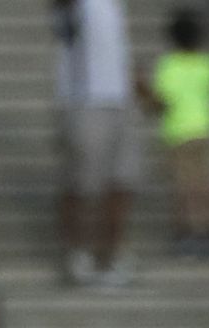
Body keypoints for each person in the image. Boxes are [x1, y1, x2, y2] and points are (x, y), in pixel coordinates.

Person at [52, 0, 143, 286]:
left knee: (122, 181)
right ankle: (77, 252)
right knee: (81, 183)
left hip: (121, 101)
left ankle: (111, 254)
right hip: (85, 100)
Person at [143, 6, 209, 257]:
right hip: (204, 129)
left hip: (178, 133)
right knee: (205, 183)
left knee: (183, 186)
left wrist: (144, 92)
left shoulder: (169, 66)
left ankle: (186, 232)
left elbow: (162, 102)